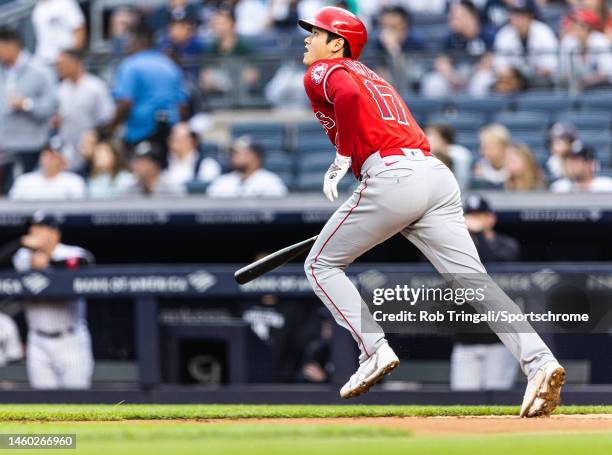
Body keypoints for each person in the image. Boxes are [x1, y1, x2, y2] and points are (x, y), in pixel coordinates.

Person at [298, 6, 564, 416]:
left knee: (319, 266)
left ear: (337, 44)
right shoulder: (374, 75)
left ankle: (373, 349)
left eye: (316, 33)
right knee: (475, 282)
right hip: (433, 174)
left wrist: (342, 158)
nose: (307, 39)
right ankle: (540, 361)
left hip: (391, 174)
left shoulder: (327, 69)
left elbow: (347, 97)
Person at [13, 212, 95, 389]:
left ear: (54, 233)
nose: (33, 231)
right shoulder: (23, 256)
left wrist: (48, 262)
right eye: (33, 227)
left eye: (40, 228)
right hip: (37, 340)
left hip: (70, 339)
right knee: (42, 403)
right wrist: (20, 243)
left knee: (78, 402)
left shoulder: (70, 252)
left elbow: (86, 263)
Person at [451, 194, 520, 391]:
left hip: (499, 339)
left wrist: (480, 234)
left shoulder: (507, 244)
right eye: (470, 215)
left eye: (480, 215)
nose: (475, 220)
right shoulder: (454, 246)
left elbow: (490, 271)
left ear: (491, 218)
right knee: (463, 399)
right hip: (465, 338)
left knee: (497, 398)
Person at [109, 23, 188, 146]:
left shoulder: (131, 65)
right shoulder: (169, 65)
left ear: (137, 40)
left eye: (128, 39)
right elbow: (182, 106)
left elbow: (125, 102)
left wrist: (111, 126)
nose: (126, 44)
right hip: (169, 135)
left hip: (141, 134)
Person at [0, 27, 57, 177]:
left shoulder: (40, 70)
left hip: (31, 145)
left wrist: (26, 104)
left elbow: (51, 107)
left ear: (12, 44)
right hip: (4, 146)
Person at [55, 49, 115, 170]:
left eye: (63, 64)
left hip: (91, 148)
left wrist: (95, 139)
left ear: (77, 63)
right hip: (67, 148)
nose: (59, 68)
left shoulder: (95, 87)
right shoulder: (61, 89)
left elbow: (107, 118)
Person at [422, 0, 496, 98]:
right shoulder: (449, 38)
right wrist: (453, 78)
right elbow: (441, 62)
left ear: (472, 16)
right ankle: (442, 112)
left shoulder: (487, 35)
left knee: (483, 79)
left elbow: (489, 60)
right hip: (455, 80)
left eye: (456, 17)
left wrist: (470, 77)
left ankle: (477, 111)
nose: (451, 21)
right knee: (434, 82)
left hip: (475, 78)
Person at [493, 0, 558, 87]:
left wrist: (531, 75)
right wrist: (515, 77)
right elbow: (500, 66)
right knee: (501, 85)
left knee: (542, 82)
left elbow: (551, 66)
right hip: (514, 80)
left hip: (538, 79)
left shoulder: (543, 32)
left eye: (522, 15)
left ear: (530, 16)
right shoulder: (504, 34)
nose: (518, 19)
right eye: (515, 15)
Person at [206, 136, 288, 198]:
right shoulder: (222, 182)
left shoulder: (271, 182)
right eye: (233, 153)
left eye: (238, 153)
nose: (233, 156)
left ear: (256, 156)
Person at [9, 137, 86, 200]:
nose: (48, 159)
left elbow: (78, 211)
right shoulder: (24, 181)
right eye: (45, 154)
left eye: (53, 156)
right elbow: (13, 210)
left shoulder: (74, 182)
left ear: (64, 161)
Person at [560, 9, 612, 91]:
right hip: (577, 87)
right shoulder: (568, 41)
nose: (574, 27)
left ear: (588, 27)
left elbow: (607, 73)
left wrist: (586, 82)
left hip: (601, 87)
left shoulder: (599, 40)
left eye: (579, 24)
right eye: (574, 23)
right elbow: (564, 73)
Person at [163, 122, 221, 188]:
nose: (173, 142)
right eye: (171, 138)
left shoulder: (206, 164)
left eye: (178, 139)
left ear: (192, 141)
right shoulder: (164, 162)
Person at [32, 0, 86, 65]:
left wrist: (74, 57)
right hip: (43, 59)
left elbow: (79, 29)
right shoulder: (37, 8)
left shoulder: (65, 2)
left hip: (64, 59)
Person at [425, 123, 473, 191]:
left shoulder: (459, 155)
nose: (427, 138)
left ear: (444, 140)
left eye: (432, 135)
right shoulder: (427, 155)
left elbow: (461, 185)